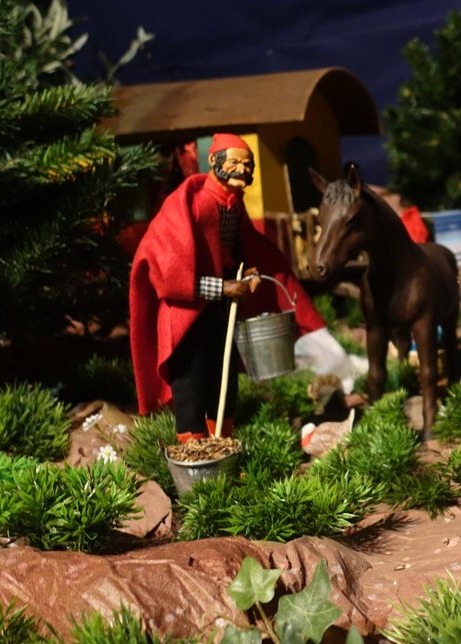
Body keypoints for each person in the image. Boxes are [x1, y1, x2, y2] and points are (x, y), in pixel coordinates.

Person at [130, 133, 325, 443]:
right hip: (187, 316)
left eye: (248, 165)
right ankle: (193, 448)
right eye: (234, 162)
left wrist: (247, 272)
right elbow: (169, 279)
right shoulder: (191, 205)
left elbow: (235, 249)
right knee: (192, 380)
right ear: (213, 162)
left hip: (219, 310)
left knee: (223, 376)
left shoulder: (233, 205)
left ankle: (221, 438)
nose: (242, 170)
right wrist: (221, 288)